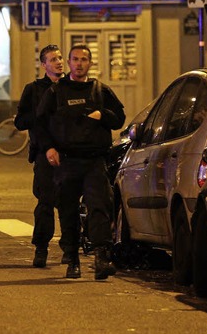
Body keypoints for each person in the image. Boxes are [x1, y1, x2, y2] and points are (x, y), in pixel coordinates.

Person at [35, 44, 125, 280]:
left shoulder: (100, 90)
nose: (79, 63)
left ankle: (101, 258)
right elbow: (40, 124)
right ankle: (72, 259)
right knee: (68, 211)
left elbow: (119, 119)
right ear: (70, 62)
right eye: (75, 59)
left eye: (84, 59)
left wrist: (102, 115)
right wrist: (49, 148)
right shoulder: (56, 92)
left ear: (90, 63)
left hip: (94, 160)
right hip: (67, 161)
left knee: (100, 208)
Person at [14, 44, 64, 268]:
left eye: (60, 58)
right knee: (45, 202)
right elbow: (20, 121)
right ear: (44, 65)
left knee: (68, 203)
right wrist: (40, 115)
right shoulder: (33, 89)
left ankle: (69, 247)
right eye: (53, 59)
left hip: (70, 154)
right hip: (44, 153)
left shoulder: (72, 86)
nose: (58, 62)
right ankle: (41, 248)